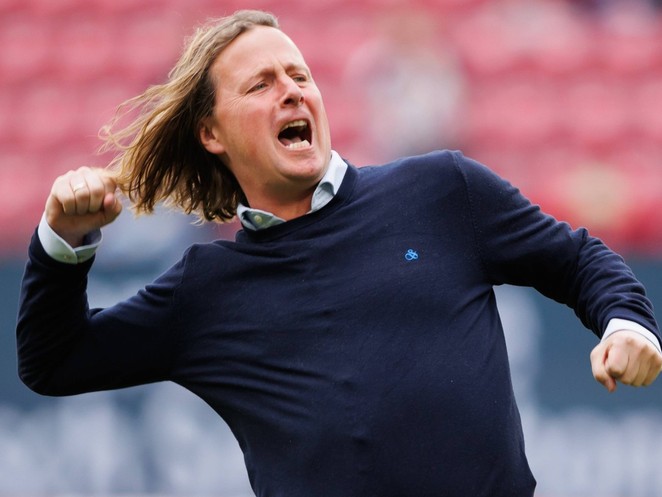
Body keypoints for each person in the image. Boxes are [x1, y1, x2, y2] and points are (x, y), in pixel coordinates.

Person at [16, 9, 662, 497]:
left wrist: (626, 321)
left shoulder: (443, 190)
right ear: (211, 132)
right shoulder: (205, 289)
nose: (292, 90)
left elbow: (577, 259)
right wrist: (63, 242)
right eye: (261, 84)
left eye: (300, 76)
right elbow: (53, 361)